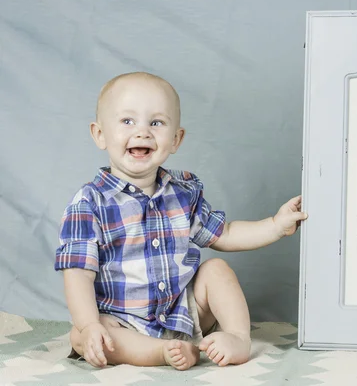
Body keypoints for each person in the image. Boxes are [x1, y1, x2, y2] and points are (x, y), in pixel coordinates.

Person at [54, 72, 307, 370]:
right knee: (83, 336)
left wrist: (275, 225)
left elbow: (224, 234)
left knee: (216, 269)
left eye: (156, 123)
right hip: (123, 323)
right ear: (100, 134)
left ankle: (237, 337)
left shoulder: (183, 192)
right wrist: (88, 325)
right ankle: (163, 351)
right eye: (127, 121)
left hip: (184, 312)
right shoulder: (89, 203)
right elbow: (78, 274)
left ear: (176, 139)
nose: (143, 132)